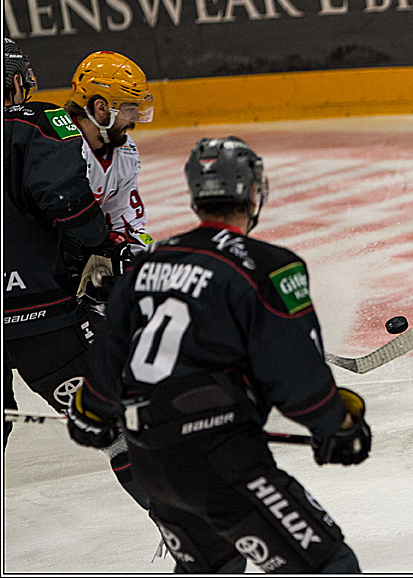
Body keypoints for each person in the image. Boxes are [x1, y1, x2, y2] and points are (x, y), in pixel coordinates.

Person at [66, 136, 368, 573]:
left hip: (152, 463)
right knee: (328, 564)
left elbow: (108, 361)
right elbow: (296, 375)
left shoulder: (148, 262)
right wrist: (336, 425)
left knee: (210, 567)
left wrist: (90, 414)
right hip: (222, 462)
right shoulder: (268, 265)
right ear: (252, 192)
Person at [2, 38, 141, 504]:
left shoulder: (124, 155)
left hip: (41, 293)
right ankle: (190, 534)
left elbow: (127, 220)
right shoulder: (41, 125)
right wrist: (98, 247)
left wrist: (124, 253)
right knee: (114, 422)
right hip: (39, 309)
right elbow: (65, 201)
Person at [64, 51, 156, 253]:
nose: (133, 120)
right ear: (101, 107)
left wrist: (156, 253)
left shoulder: (125, 150)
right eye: (130, 108)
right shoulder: (58, 148)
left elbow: (127, 224)